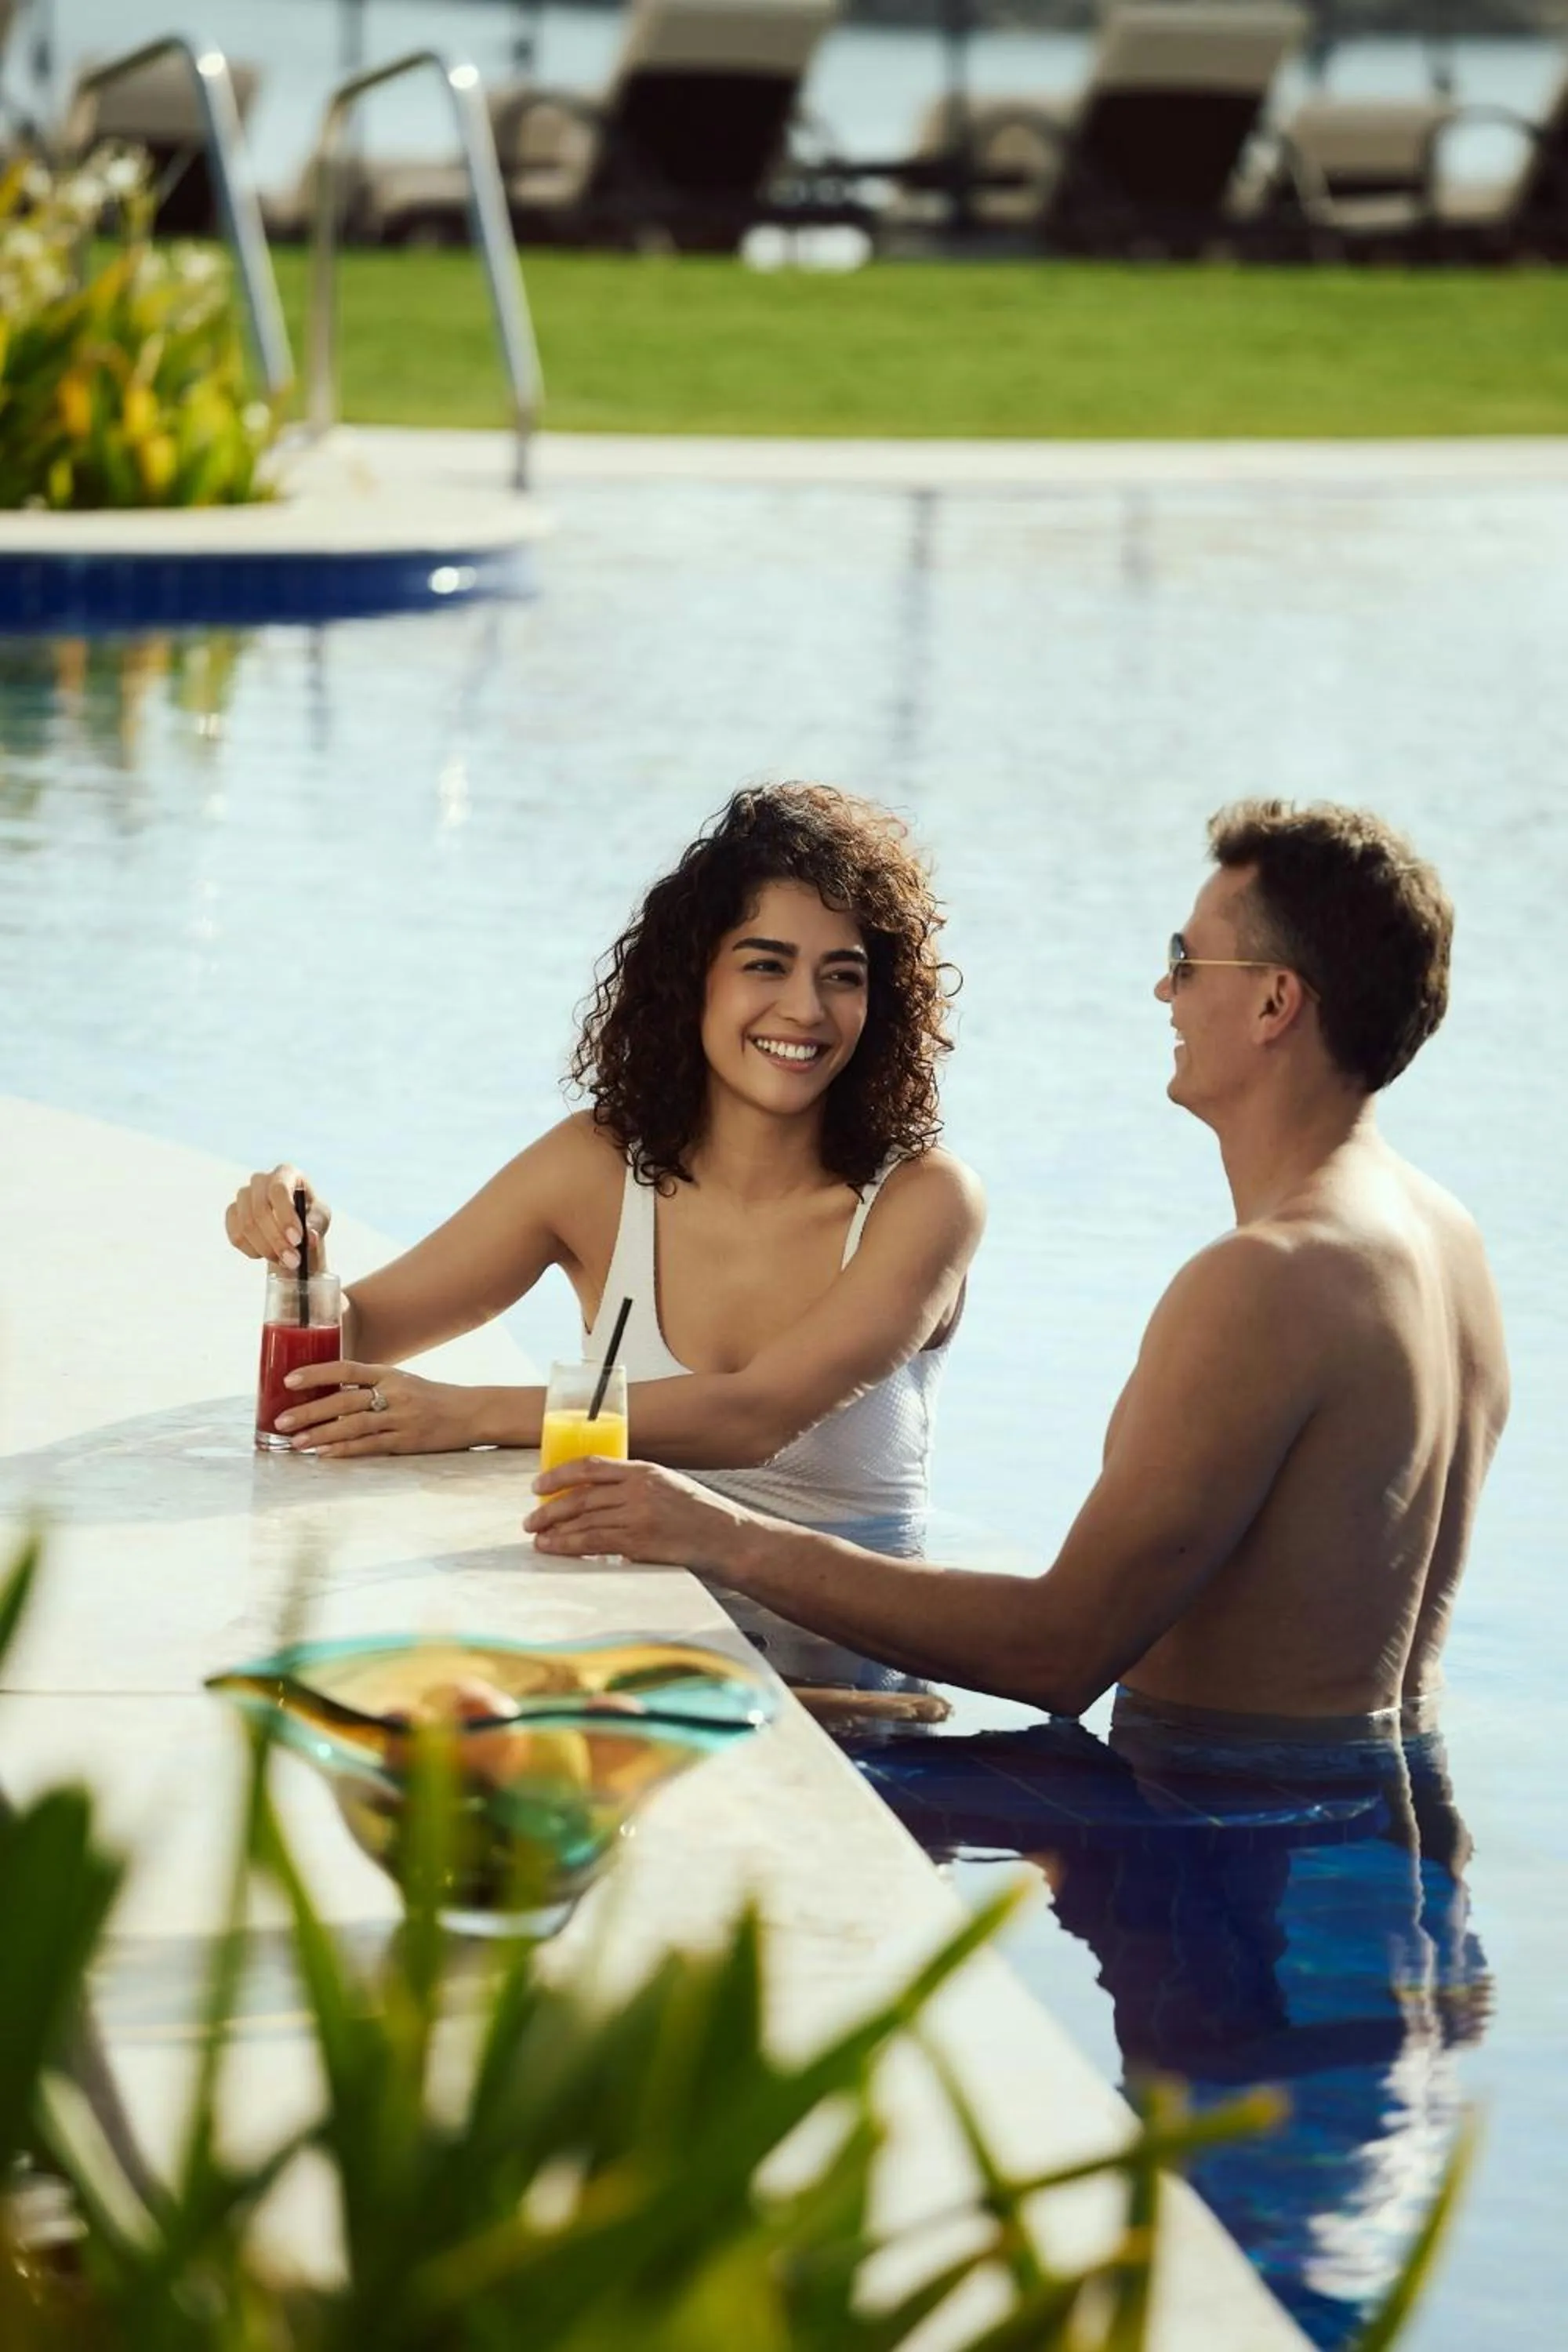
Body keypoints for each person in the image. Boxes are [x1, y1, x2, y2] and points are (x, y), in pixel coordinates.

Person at [528, 799, 1511, 1726]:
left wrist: (716, 1535)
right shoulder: (1441, 1236)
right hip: (1392, 1822)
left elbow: (1057, 1653)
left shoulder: (1266, 1278)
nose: (1163, 989)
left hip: (1223, 1844)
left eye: (1185, 958)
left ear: (1271, 1004)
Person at [223, 783, 984, 1562]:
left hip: (836, 1665)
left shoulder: (923, 1201)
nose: (805, 1009)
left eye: (842, 975)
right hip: (622, 1629)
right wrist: (298, 1249)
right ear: (693, 982)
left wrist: (473, 1414)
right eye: (766, 964)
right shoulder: (593, 1169)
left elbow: (756, 1416)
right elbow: (358, 1338)